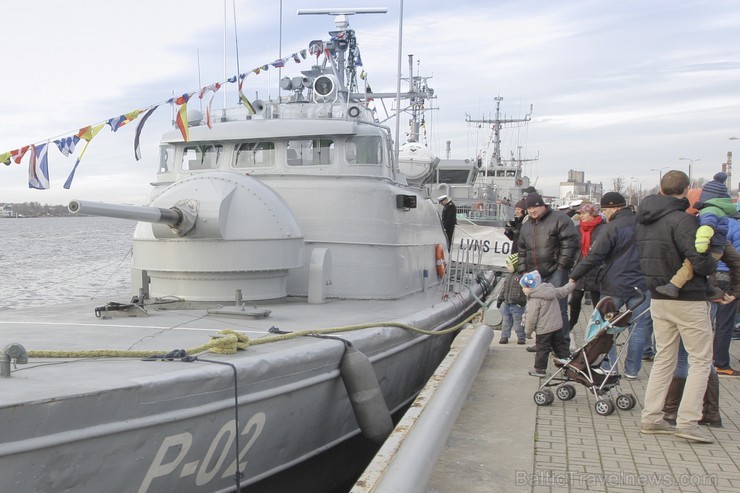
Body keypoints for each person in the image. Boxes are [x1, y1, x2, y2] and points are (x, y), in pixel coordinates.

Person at [635, 170, 716, 444]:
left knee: (664, 358)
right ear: (688, 188)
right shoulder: (684, 220)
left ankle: (651, 417)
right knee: (700, 360)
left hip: (658, 297)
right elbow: (699, 261)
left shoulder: (644, 219)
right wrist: (711, 261)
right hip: (688, 298)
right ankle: (688, 421)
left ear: (660, 187)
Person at [569, 192, 653, 380]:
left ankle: (607, 366)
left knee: (606, 327)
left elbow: (595, 256)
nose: (604, 213)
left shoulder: (611, 227)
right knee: (638, 328)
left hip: (614, 284)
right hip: (641, 285)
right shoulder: (645, 226)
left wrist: (574, 276)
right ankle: (632, 370)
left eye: (605, 209)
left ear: (615, 208)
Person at [656, 172, 734, 300]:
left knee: (689, 266)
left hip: (708, 248)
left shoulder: (710, 212)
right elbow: (735, 260)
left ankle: (674, 286)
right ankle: (709, 290)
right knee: (694, 268)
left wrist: (701, 245)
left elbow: (707, 228)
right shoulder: (719, 212)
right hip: (716, 249)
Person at [517, 192, 580, 350]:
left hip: (556, 271)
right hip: (535, 274)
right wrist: (524, 271)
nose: (532, 211)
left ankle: (562, 344)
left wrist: (561, 266)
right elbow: (522, 250)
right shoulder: (526, 226)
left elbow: (571, 242)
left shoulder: (559, 219)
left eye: (535, 207)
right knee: (538, 310)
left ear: (543, 205)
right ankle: (542, 344)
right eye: (529, 208)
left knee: (559, 308)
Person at [520, 270, 576, 376]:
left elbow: (531, 318)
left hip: (543, 329)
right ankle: (568, 363)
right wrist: (572, 283)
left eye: (524, 287)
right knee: (560, 345)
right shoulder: (551, 291)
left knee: (542, 349)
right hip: (556, 326)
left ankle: (540, 369)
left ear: (531, 286)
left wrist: (528, 332)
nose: (523, 290)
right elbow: (564, 290)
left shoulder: (534, 300)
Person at [568, 202, 604, 331]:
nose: (581, 216)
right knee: (574, 301)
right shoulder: (578, 229)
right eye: (580, 213)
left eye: (584, 213)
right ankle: (570, 325)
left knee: (598, 305)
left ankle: (598, 331)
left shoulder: (603, 229)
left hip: (597, 272)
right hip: (580, 271)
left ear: (593, 214)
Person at [496, 254, 527, 344]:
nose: (507, 267)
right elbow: (504, 289)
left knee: (518, 322)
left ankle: (521, 337)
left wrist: (522, 301)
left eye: (509, 265)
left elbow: (525, 291)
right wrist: (500, 299)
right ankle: (504, 336)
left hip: (517, 304)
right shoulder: (508, 276)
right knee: (506, 321)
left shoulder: (522, 277)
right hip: (507, 303)